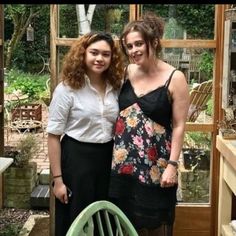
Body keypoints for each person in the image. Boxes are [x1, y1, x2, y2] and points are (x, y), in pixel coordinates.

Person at [109, 12, 190, 236]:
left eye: (138, 44)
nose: (133, 51)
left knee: (155, 225)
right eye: (128, 46)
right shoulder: (126, 72)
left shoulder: (175, 78)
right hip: (123, 166)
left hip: (156, 168)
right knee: (124, 224)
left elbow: (180, 125)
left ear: (153, 42)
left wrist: (172, 166)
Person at [47, 32, 124, 236]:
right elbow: (53, 136)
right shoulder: (67, 89)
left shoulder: (115, 87)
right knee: (76, 218)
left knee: (104, 217)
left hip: (107, 158)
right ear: (82, 54)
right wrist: (58, 180)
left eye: (106, 54)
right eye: (94, 52)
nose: (100, 58)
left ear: (112, 58)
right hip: (76, 159)